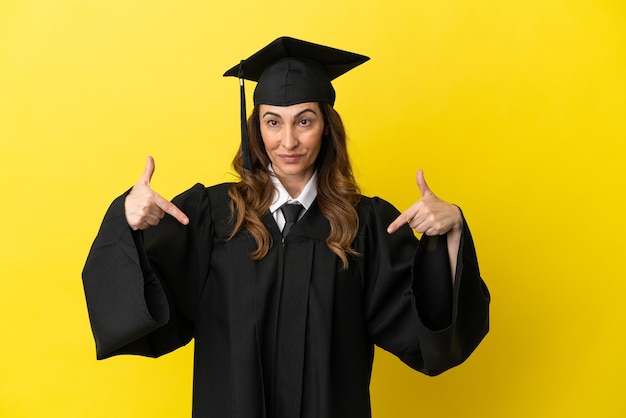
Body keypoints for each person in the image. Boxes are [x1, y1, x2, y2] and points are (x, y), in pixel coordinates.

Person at [82, 37, 490, 418]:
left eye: (304, 121)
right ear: (256, 128)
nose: (288, 141)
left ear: (327, 127)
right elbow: (146, 306)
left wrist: (450, 235)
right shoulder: (212, 214)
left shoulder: (365, 224)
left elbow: (425, 330)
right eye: (273, 122)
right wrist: (127, 222)